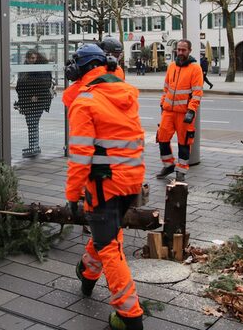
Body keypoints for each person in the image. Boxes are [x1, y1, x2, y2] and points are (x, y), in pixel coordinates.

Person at [65, 44, 145, 330]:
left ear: (84, 68)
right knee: (108, 234)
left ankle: (129, 316)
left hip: (104, 183)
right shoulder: (123, 92)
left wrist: (72, 195)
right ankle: (87, 273)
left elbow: (80, 156)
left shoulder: (85, 102)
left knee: (109, 246)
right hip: (131, 179)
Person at [156, 39, 203, 181]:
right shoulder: (171, 67)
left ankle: (181, 171)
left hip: (184, 113)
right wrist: (162, 103)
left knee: (184, 143)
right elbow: (166, 88)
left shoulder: (195, 69)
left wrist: (191, 110)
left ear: (189, 51)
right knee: (162, 138)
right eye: (179, 49)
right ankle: (168, 165)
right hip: (168, 111)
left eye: (183, 50)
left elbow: (197, 92)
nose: (180, 52)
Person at [15, 49, 53, 158]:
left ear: (37, 57)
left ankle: (34, 147)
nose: (32, 60)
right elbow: (20, 84)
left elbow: (45, 83)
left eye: (33, 58)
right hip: (27, 100)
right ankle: (34, 146)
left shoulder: (41, 68)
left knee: (32, 122)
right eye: (30, 58)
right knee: (31, 123)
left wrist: (35, 95)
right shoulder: (25, 68)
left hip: (37, 100)